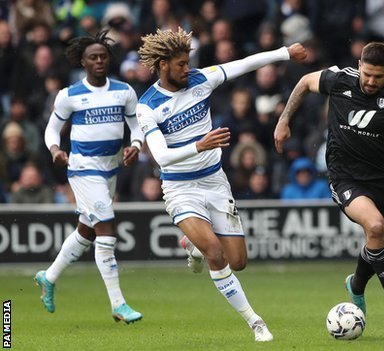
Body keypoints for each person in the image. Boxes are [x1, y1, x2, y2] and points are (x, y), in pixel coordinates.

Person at [135, 27, 306, 342]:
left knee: (238, 262)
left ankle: (192, 245)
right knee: (215, 252)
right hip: (180, 189)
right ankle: (255, 322)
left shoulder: (202, 78)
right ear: (162, 65)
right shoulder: (147, 106)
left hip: (215, 183)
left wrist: (285, 53)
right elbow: (161, 156)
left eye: (188, 62)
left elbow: (243, 63)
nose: (188, 69)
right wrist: (200, 145)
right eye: (181, 64)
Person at [274, 42, 384, 329]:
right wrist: (284, 120)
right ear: (359, 65)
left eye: (378, 76)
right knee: (374, 227)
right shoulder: (339, 80)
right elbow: (304, 82)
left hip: (382, 180)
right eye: (367, 74)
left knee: (379, 241)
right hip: (344, 176)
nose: (372, 82)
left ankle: (356, 285)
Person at [35, 30, 144, 323]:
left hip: (110, 169)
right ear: (82, 62)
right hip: (83, 169)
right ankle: (118, 304)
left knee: (87, 230)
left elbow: (136, 126)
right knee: (106, 226)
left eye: (103, 56)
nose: (99, 61)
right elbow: (51, 129)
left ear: (109, 59)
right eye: (93, 57)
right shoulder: (69, 95)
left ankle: (49, 276)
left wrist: (135, 145)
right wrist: (55, 149)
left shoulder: (124, 91)